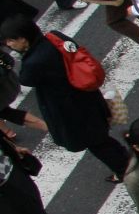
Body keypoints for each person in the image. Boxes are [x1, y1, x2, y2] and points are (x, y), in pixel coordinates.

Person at [0, 17, 129, 182]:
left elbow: (25, 79)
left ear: (23, 39)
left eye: (11, 41)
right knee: (101, 137)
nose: (9, 45)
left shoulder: (33, 63)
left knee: (97, 143)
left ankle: (123, 169)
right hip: (87, 94)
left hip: (73, 112)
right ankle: (124, 159)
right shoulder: (54, 36)